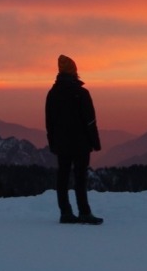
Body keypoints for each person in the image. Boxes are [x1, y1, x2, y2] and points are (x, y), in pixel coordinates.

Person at [45, 55, 104, 225]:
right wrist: (95, 142)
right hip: (81, 143)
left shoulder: (53, 94)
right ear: (74, 71)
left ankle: (65, 212)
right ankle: (84, 212)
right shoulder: (81, 93)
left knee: (62, 176)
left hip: (61, 143)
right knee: (80, 177)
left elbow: (49, 122)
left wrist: (53, 143)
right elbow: (90, 121)